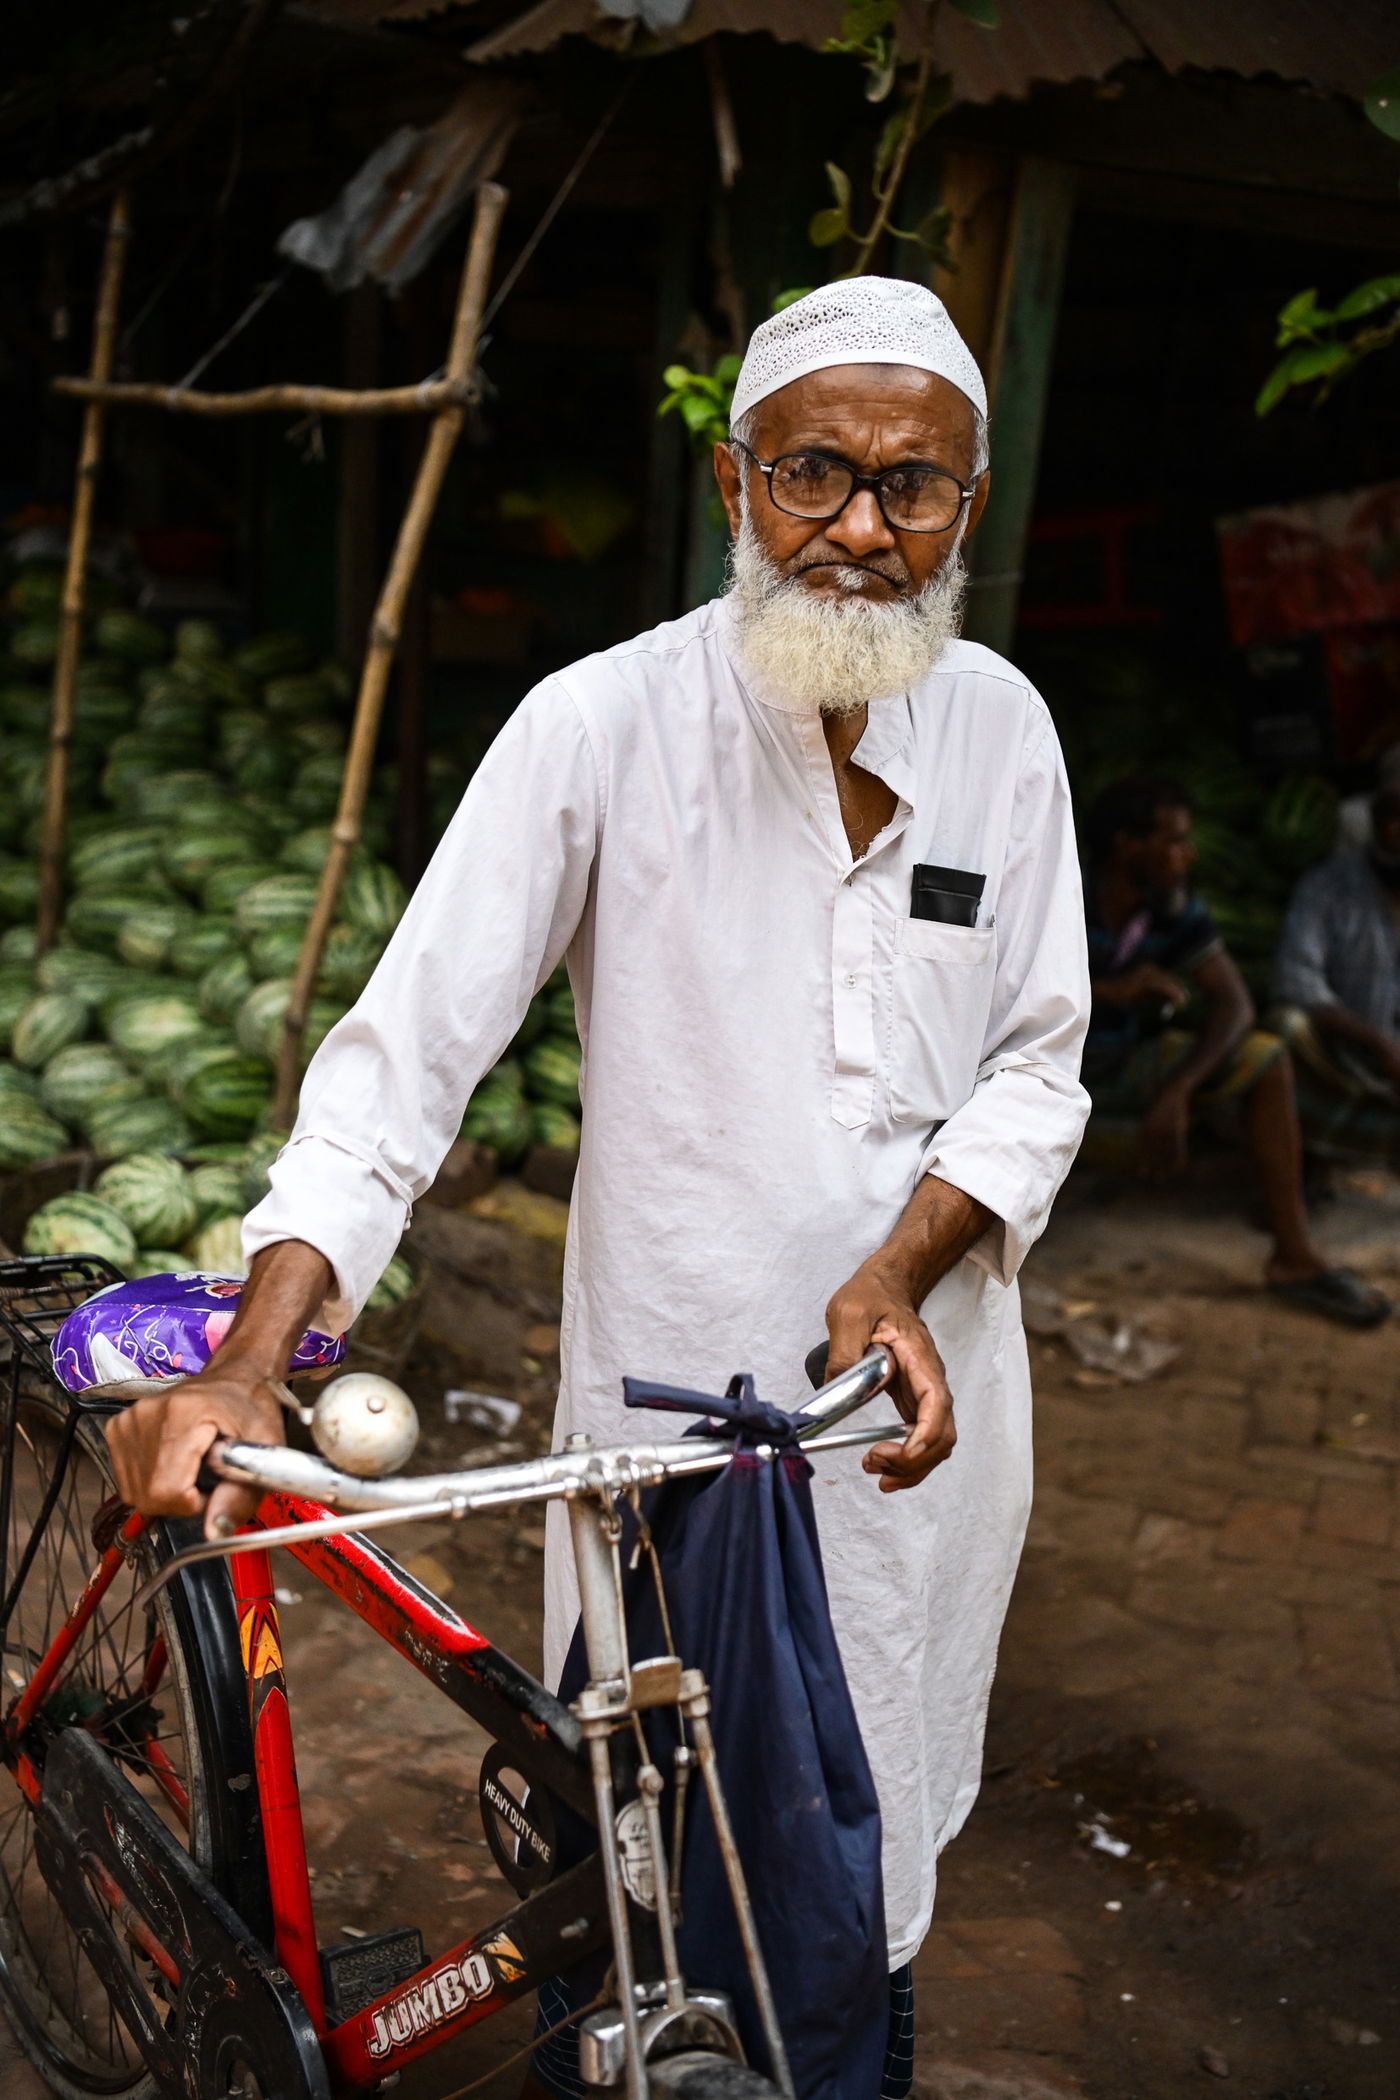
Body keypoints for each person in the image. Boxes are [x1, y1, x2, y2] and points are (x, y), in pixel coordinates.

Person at [106, 277, 1094, 2085]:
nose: (863, 529)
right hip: (668, 1443)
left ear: (966, 504)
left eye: (915, 487)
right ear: (735, 488)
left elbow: (1038, 1065)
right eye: (816, 472)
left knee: (862, 1863)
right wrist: (254, 1359)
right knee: (645, 1859)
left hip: (906, 1431)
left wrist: (902, 1266)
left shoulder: (1006, 734)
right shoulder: (597, 729)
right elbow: (398, 1070)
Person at [1082, 775, 1389, 1326]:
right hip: (1042, 1071)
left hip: (1120, 1067)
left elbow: (1236, 1004)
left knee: (1265, 1054)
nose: (1189, 854)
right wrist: (1105, 990)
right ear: (1130, 846)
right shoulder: (1062, 893)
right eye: (1174, 842)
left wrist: (1178, 1090)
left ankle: (1293, 1257)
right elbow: (994, 994)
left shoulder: (1172, 906)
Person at [1271, 780, 1400, 1167]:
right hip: (1347, 1059)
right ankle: (1305, 1160)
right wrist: (1380, 1044)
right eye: (1394, 814)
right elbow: (1295, 979)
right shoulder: (1327, 886)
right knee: (1285, 1025)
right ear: (1374, 819)